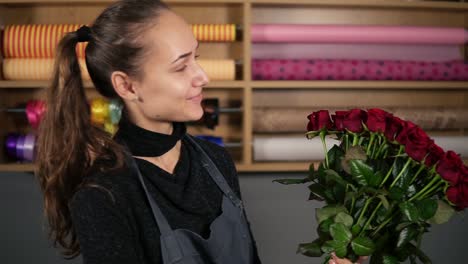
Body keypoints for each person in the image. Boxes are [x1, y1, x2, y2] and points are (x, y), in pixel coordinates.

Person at [35, 0, 261, 263]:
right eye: (180, 66)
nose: (202, 76)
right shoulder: (103, 194)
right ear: (127, 86)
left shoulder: (217, 161)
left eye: (195, 58)